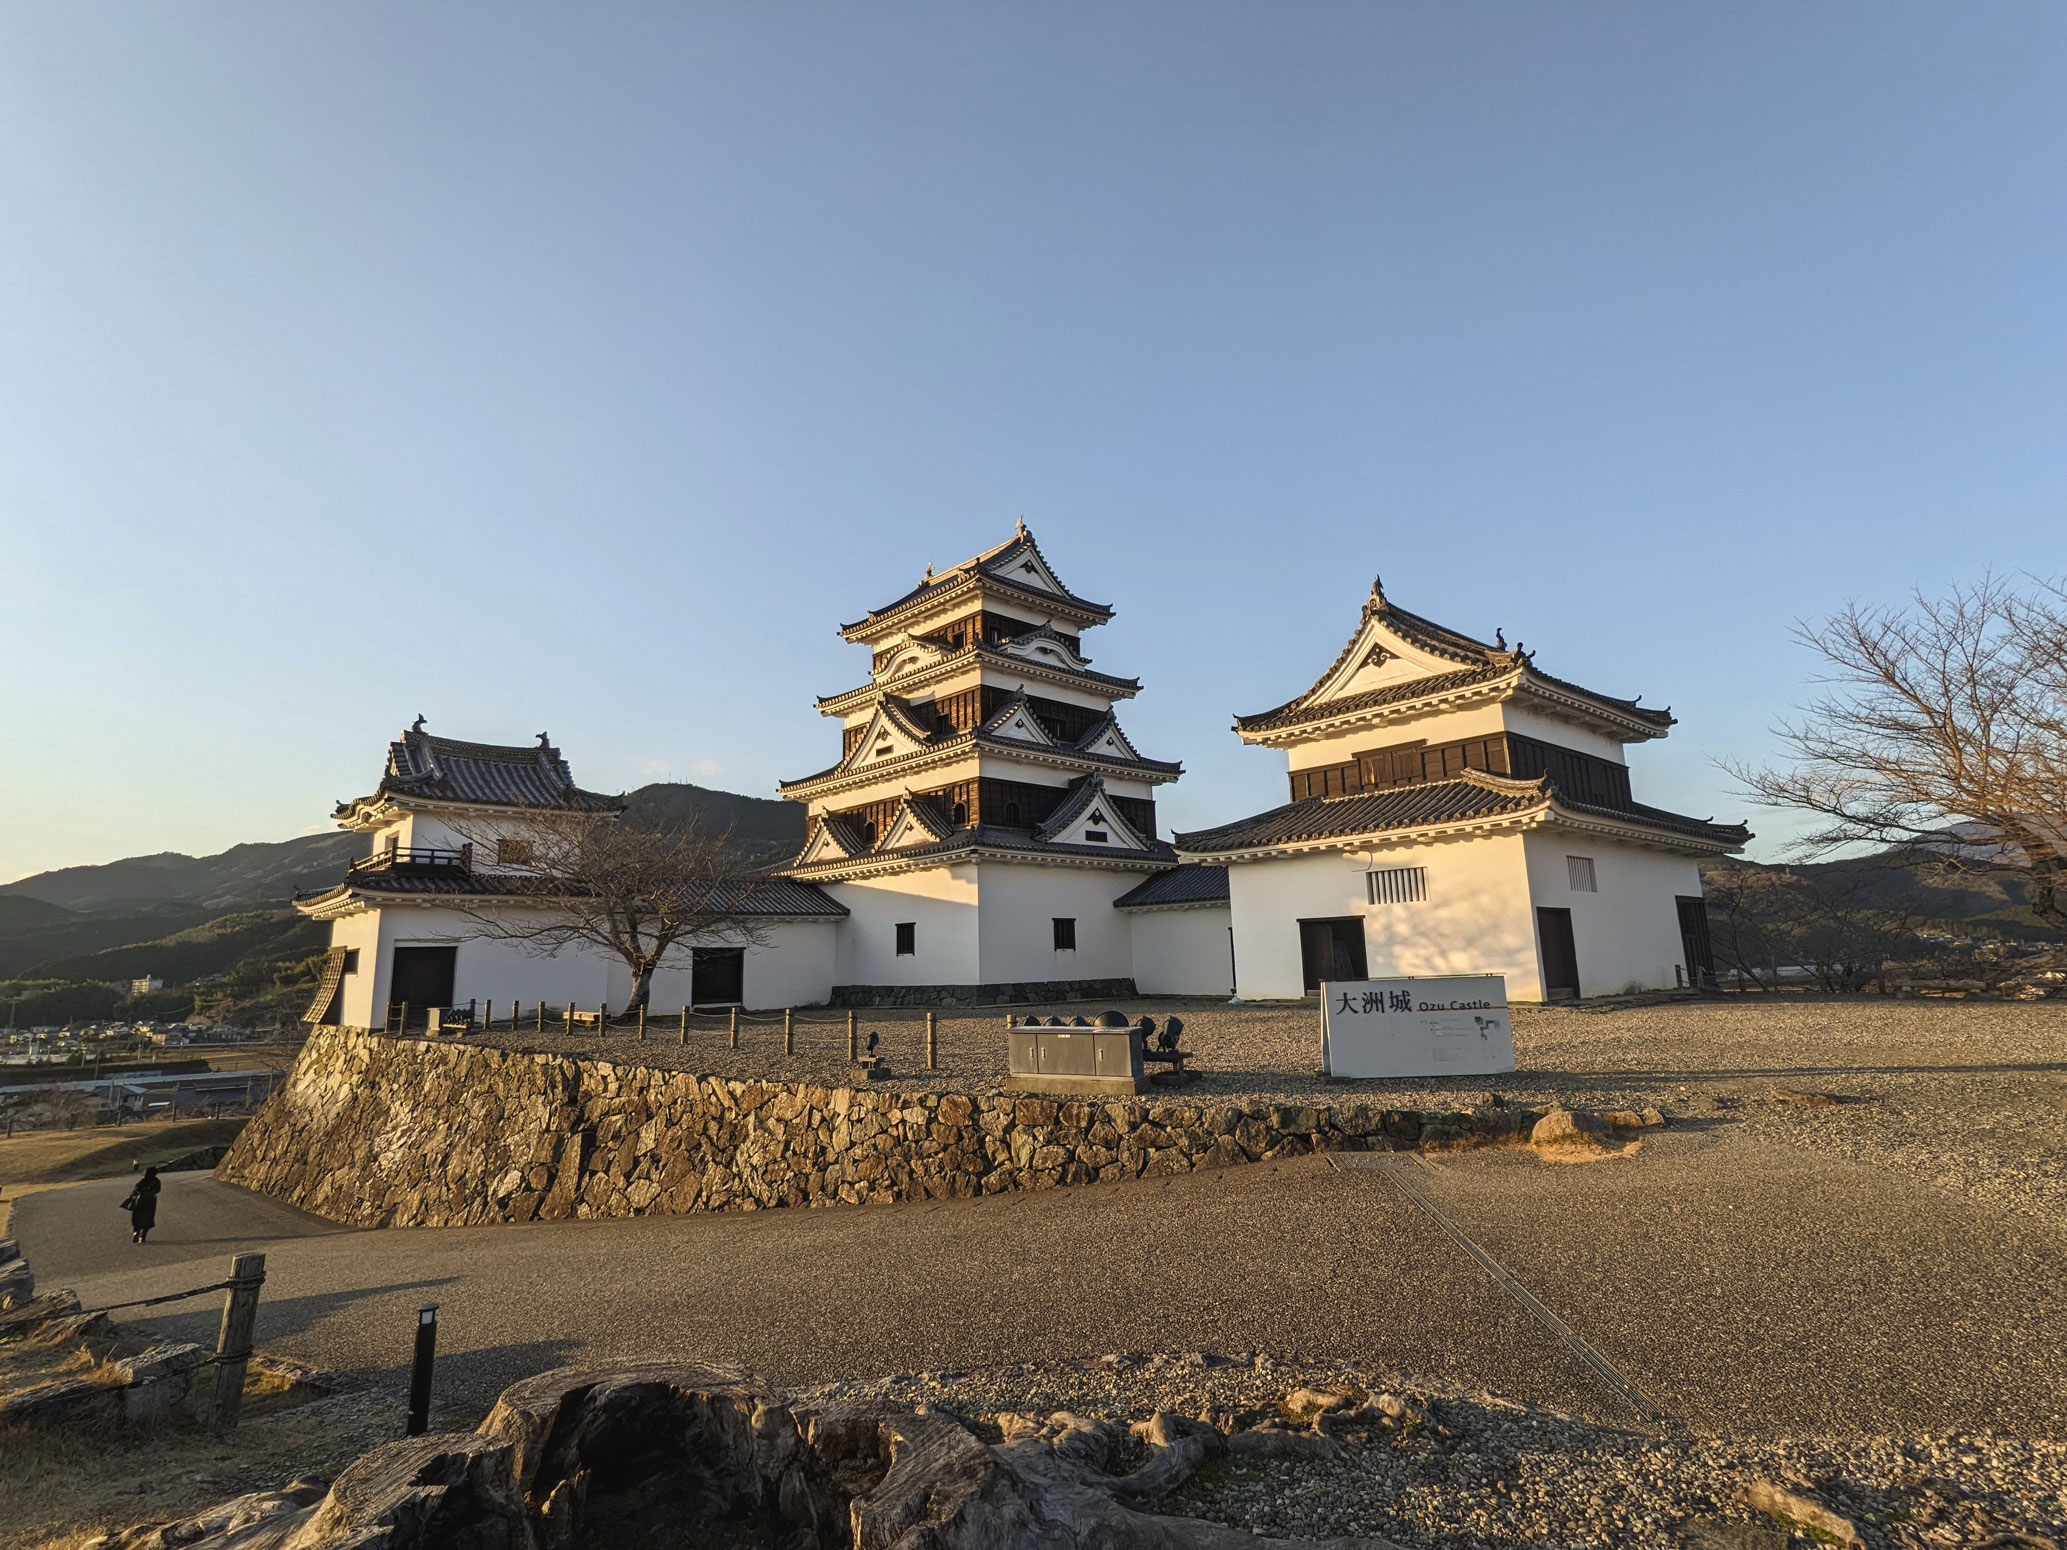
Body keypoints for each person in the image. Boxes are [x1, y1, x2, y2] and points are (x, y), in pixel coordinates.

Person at [122, 1166, 161, 1245]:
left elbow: (136, 1189)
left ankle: (136, 1233)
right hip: (150, 1202)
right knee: (148, 1218)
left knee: (137, 1218)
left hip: (140, 1202)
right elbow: (158, 1190)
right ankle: (143, 1236)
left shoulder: (143, 1181)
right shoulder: (156, 1181)